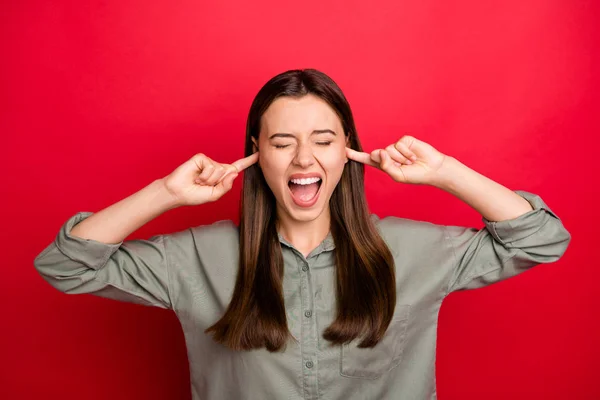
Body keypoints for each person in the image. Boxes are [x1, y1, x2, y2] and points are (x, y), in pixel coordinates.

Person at [33, 69, 571, 400]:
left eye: (323, 140)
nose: (304, 158)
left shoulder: (412, 249)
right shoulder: (197, 255)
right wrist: (166, 193)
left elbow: (542, 238)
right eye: (283, 141)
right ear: (256, 153)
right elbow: (66, 264)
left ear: (347, 151)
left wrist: (445, 171)